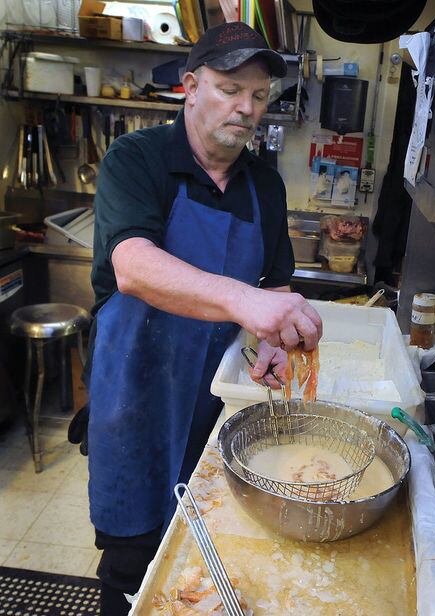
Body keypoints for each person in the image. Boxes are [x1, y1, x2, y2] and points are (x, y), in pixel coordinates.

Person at [84, 22, 322, 614]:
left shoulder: (264, 184)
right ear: (190, 86)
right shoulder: (137, 159)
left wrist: (271, 338)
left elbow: (274, 285)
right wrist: (246, 303)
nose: (246, 108)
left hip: (217, 407)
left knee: (208, 555)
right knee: (133, 560)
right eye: (228, 87)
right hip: (136, 399)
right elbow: (134, 267)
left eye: (260, 95)